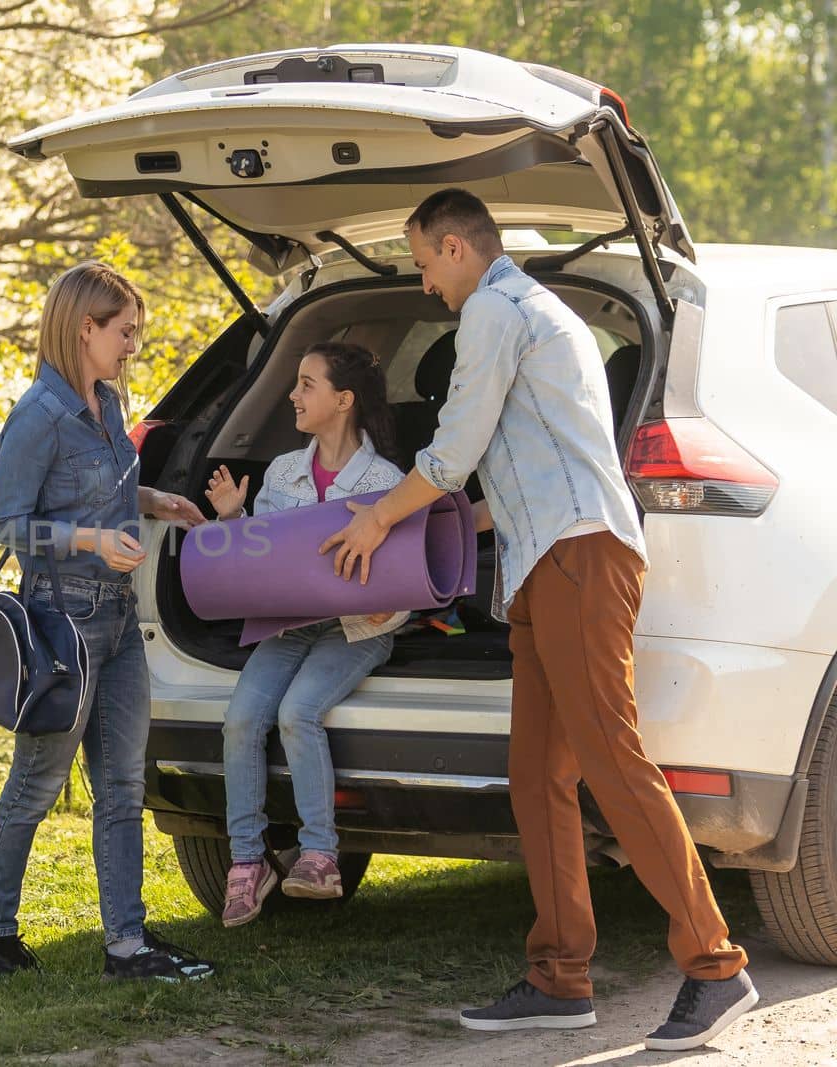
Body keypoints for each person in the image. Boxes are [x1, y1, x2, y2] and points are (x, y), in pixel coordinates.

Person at [320, 189, 756, 1051]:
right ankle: (560, 976)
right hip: (544, 559)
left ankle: (714, 964)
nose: (421, 281)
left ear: (454, 247)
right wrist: (442, 535)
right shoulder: (534, 310)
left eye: (420, 260)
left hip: (579, 555)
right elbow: (521, 465)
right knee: (537, 773)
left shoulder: (493, 308)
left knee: (612, 761)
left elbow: (451, 452)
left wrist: (376, 519)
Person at [0, 261, 216, 981]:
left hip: (119, 619)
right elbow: (8, 527)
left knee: (123, 788)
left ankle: (127, 945)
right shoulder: (37, 418)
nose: (132, 344)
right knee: (37, 786)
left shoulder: (107, 406)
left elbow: (99, 492)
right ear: (86, 328)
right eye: (125, 331)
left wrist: (156, 501)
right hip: (61, 624)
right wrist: (91, 541)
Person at [203, 342, 406, 926]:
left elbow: (402, 581)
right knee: (241, 719)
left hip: (356, 633)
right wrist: (233, 520)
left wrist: (382, 617)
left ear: (343, 401)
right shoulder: (283, 473)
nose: (293, 395)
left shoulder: (385, 480)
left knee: (298, 713)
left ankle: (319, 855)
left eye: (306, 384)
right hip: (290, 627)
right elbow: (262, 564)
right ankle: (248, 862)